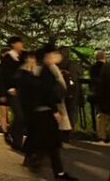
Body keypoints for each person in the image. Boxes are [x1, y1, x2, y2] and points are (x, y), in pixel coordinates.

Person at [22, 45, 79, 181]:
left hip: (39, 111)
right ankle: (57, 172)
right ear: (49, 56)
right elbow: (48, 92)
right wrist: (55, 111)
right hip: (45, 112)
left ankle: (48, 167)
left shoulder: (39, 69)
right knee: (51, 143)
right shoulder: (47, 71)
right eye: (55, 53)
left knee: (47, 142)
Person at [0, 36, 25, 150]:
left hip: (24, 91)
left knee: (23, 116)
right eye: (19, 43)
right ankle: (16, 139)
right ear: (13, 45)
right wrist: (4, 92)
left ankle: (17, 139)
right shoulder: (7, 59)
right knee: (19, 115)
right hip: (12, 92)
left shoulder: (24, 56)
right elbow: (3, 77)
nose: (21, 45)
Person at [59, 46, 83, 135]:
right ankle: (70, 131)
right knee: (72, 111)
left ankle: (63, 131)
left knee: (63, 111)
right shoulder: (74, 64)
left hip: (61, 92)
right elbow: (80, 73)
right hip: (73, 91)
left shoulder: (57, 65)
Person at [0, 47, 11, 141]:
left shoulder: (0, 65)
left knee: (5, 113)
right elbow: (0, 81)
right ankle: (6, 132)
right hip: (3, 92)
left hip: (3, 92)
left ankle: (7, 131)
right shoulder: (0, 66)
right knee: (4, 113)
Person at [95, 59, 110, 142]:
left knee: (102, 116)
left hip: (105, 95)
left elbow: (101, 82)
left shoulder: (106, 66)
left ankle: (102, 135)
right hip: (106, 95)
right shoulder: (106, 66)